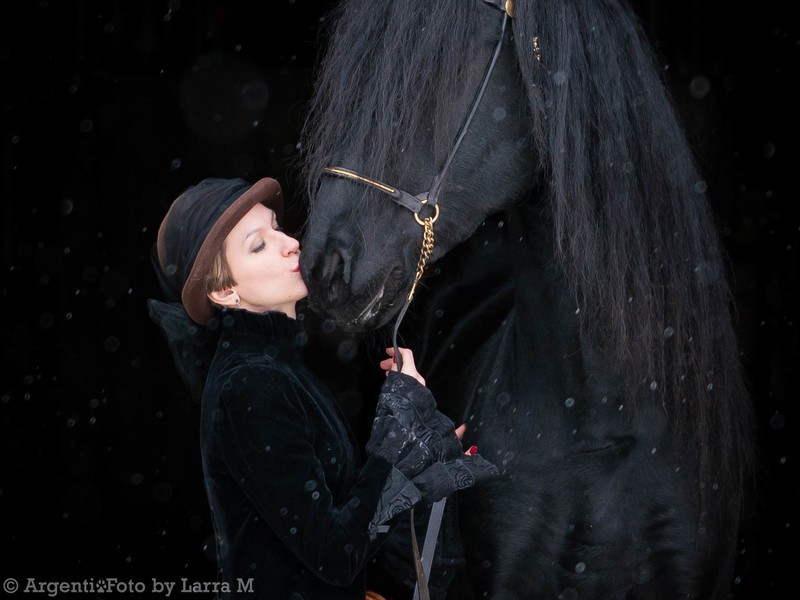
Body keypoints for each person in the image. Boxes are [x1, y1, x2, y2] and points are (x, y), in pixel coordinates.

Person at [147, 176, 497, 599]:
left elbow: (348, 520)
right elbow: (337, 555)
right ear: (225, 291)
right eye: (259, 245)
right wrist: (400, 434)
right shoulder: (250, 384)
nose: (289, 242)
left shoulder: (279, 369)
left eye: (277, 226)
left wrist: (419, 447)